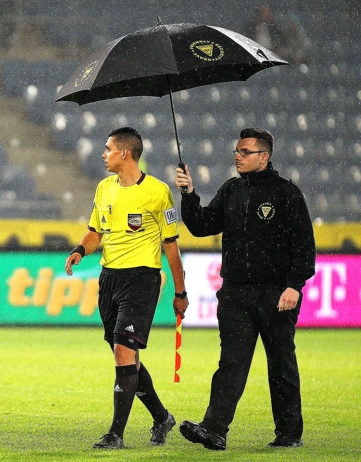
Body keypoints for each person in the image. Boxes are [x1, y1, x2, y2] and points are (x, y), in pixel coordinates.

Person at [174, 128, 316, 450]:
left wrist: (294, 285)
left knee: (280, 363)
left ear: (263, 157)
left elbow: (304, 247)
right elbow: (202, 225)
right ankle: (215, 429)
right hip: (235, 294)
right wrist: (189, 193)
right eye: (237, 151)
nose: (237, 156)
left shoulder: (286, 193)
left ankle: (289, 433)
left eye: (245, 151)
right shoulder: (232, 190)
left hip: (276, 294)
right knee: (231, 363)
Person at [65, 127, 188, 449]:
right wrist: (80, 250)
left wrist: (180, 291)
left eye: (107, 149)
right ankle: (161, 417)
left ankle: (115, 434)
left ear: (125, 154)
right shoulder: (104, 188)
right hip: (109, 279)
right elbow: (95, 232)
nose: (103, 154)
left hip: (142, 279)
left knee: (123, 352)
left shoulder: (159, 193)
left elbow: (171, 245)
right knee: (126, 356)